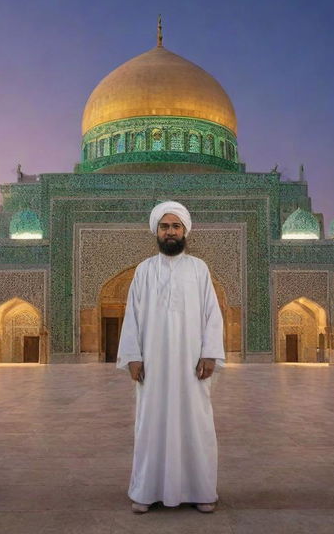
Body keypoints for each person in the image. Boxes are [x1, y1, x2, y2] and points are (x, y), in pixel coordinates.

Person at [117, 201, 225, 514]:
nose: (170, 232)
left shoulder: (199, 268)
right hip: (152, 364)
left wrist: (210, 353)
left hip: (193, 365)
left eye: (176, 226)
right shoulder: (145, 270)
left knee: (196, 424)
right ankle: (146, 491)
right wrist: (133, 356)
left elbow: (212, 315)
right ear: (157, 231)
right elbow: (132, 316)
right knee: (151, 425)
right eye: (165, 226)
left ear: (185, 231)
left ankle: (201, 489)